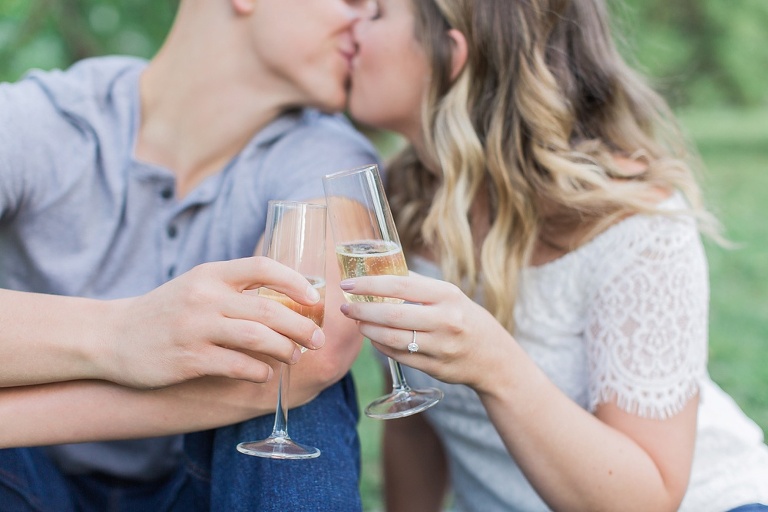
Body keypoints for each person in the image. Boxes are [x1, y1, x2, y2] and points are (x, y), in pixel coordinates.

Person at [339, 0, 768, 511]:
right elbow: (417, 426)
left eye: (379, 13)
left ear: (448, 55)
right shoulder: (399, 208)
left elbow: (649, 501)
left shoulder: (635, 226)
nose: (352, 25)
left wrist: (493, 364)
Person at [0, 0, 379, 511]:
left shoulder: (325, 156)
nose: (368, 19)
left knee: (292, 372)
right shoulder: (41, 120)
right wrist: (118, 334)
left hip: (201, 486)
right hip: (24, 478)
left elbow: (316, 350)